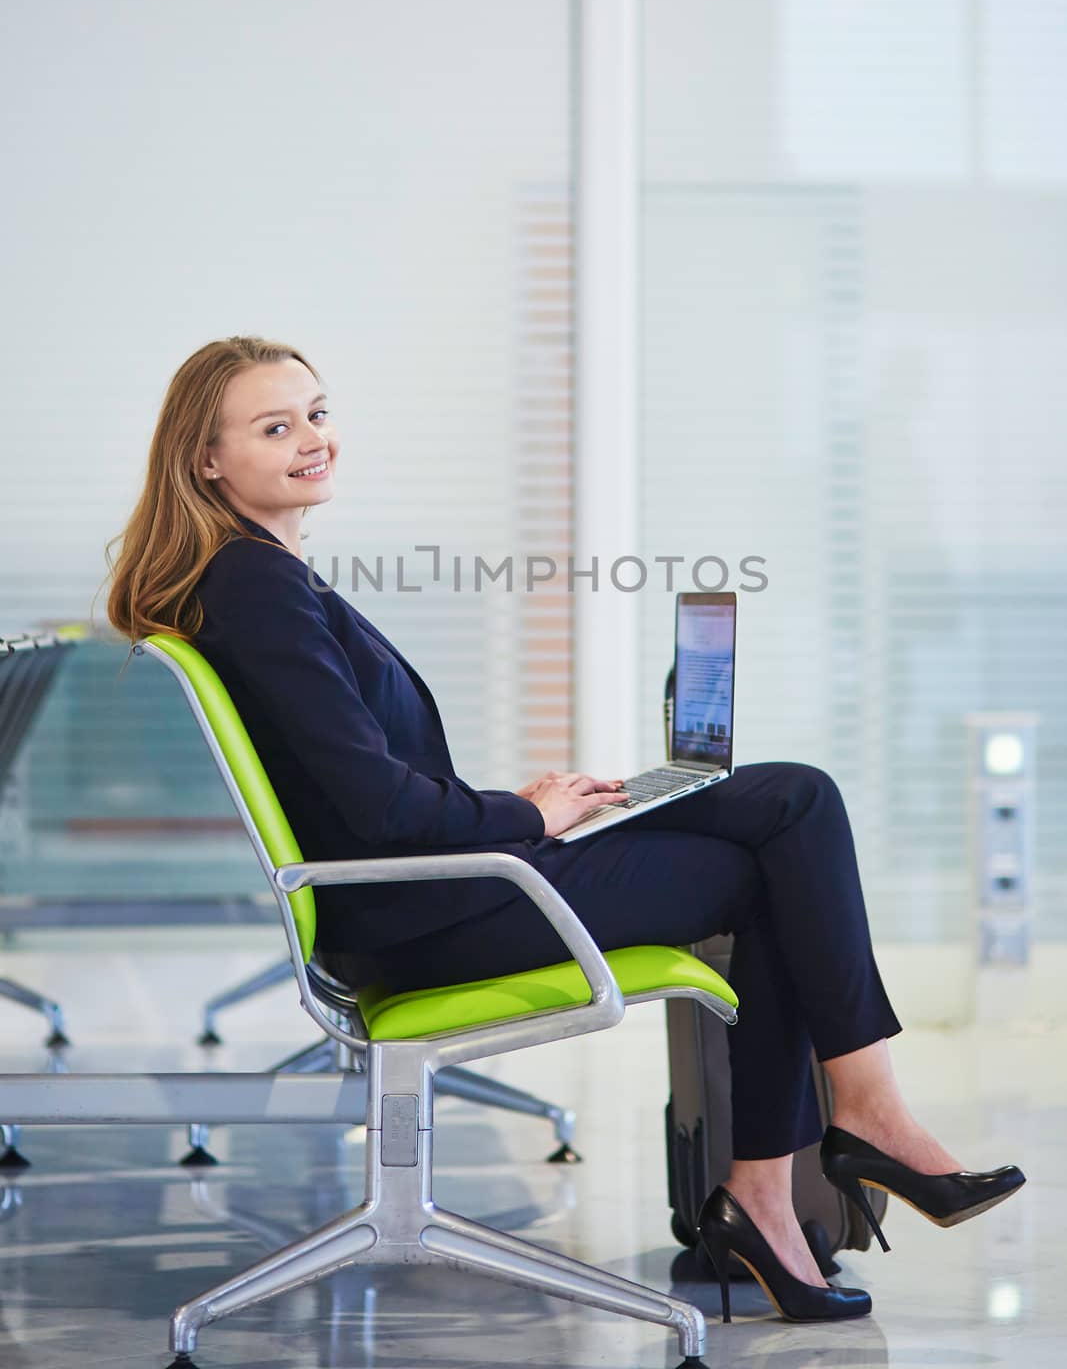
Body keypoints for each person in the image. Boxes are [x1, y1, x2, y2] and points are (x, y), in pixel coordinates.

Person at [106, 334, 1024, 1325]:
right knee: (787, 820)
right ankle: (845, 1129)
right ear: (205, 458)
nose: (311, 440)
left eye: (317, 413)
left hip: (434, 888)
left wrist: (527, 807)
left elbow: (358, 788)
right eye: (274, 427)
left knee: (783, 810)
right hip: (426, 919)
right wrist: (523, 817)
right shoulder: (255, 586)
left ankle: (786, 1177)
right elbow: (374, 808)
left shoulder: (263, 577)